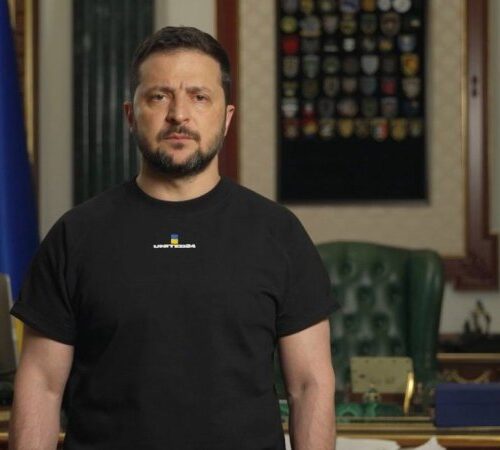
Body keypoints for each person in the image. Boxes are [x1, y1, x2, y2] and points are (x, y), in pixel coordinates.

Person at [9, 26, 337, 450]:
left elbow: (310, 386)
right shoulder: (75, 235)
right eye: (159, 96)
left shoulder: (279, 233)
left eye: (199, 97)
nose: (179, 114)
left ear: (227, 117)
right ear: (131, 115)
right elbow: (41, 385)